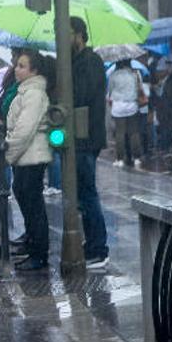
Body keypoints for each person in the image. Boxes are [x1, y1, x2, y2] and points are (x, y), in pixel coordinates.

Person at [6, 51, 54, 271]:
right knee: (24, 195)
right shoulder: (26, 91)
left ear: (34, 71)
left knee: (33, 203)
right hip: (25, 155)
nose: (17, 69)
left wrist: (9, 155)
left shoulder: (34, 94)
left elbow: (24, 131)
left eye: (22, 66)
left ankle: (39, 253)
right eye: (17, 65)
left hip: (32, 155)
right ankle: (33, 246)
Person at [70, 16, 109, 269]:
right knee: (82, 194)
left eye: (67, 33)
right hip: (78, 136)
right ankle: (92, 243)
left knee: (88, 192)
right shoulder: (75, 62)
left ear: (79, 34)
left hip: (87, 136)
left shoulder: (91, 61)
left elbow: (81, 94)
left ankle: (98, 247)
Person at [107, 60, 145, 167]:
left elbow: (110, 89)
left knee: (120, 133)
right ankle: (136, 157)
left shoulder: (113, 75)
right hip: (132, 105)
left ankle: (120, 159)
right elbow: (140, 88)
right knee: (134, 132)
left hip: (118, 106)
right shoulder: (135, 74)